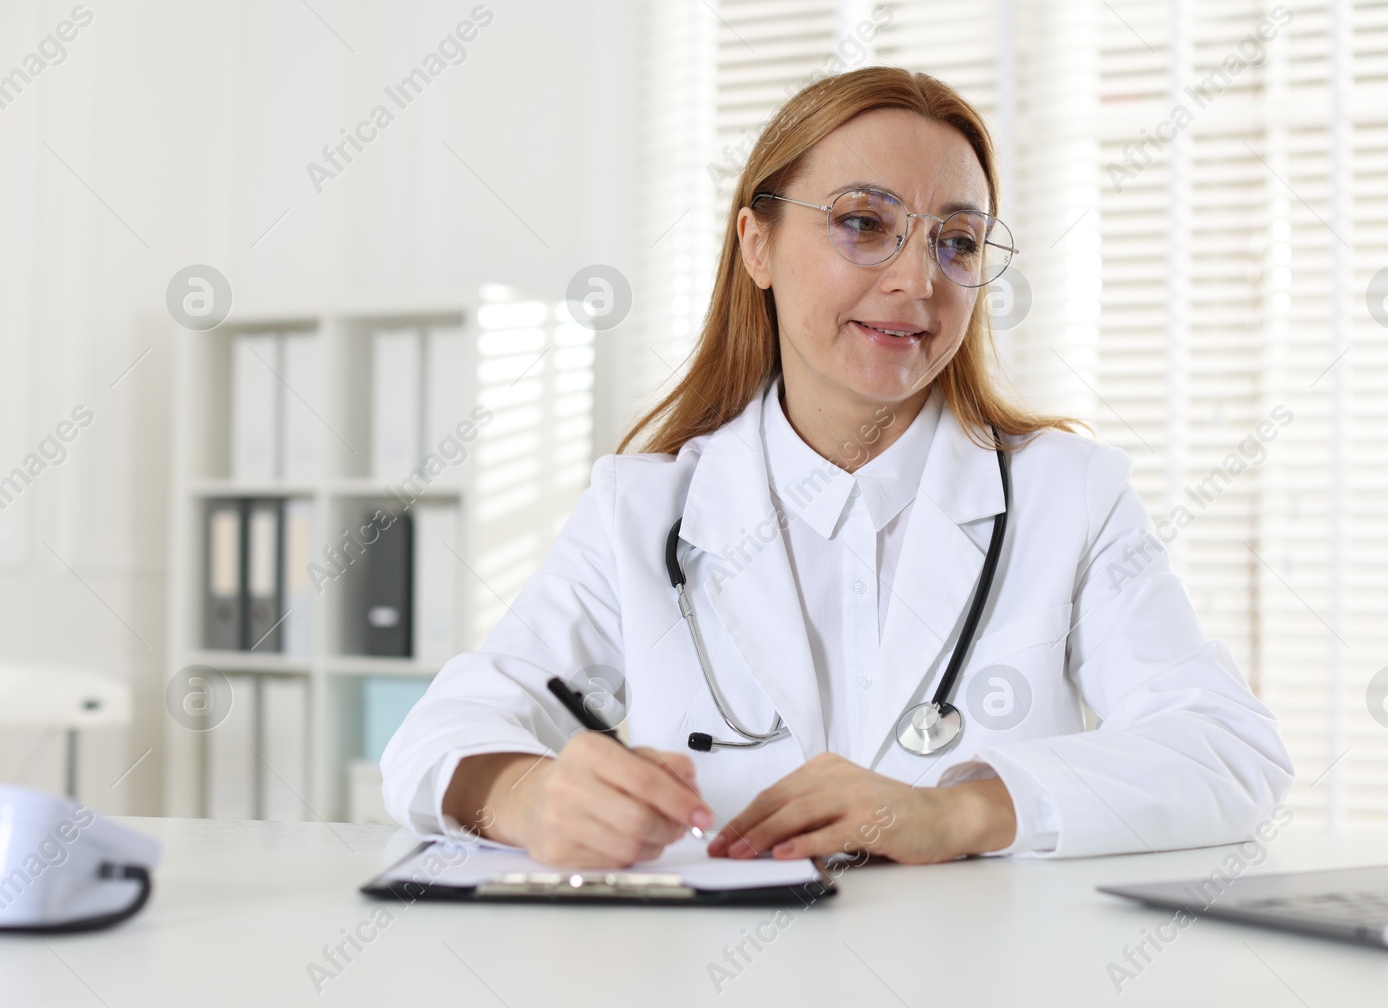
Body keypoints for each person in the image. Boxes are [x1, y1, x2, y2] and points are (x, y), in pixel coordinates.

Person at [381, 66, 1293, 869]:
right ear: (758, 245)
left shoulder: (1070, 497)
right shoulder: (644, 513)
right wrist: (531, 798)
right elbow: (439, 737)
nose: (918, 281)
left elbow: (1230, 752)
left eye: (957, 242)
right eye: (865, 223)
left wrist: (957, 811)